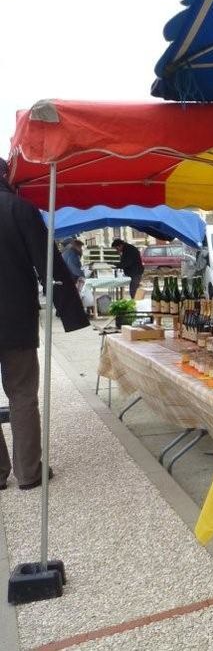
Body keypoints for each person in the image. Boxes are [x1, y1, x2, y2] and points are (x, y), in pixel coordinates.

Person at [0, 158, 90, 490]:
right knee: (22, 394)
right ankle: (29, 472)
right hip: (16, 320)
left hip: (15, 320)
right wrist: (72, 314)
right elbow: (48, 266)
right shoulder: (20, 209)